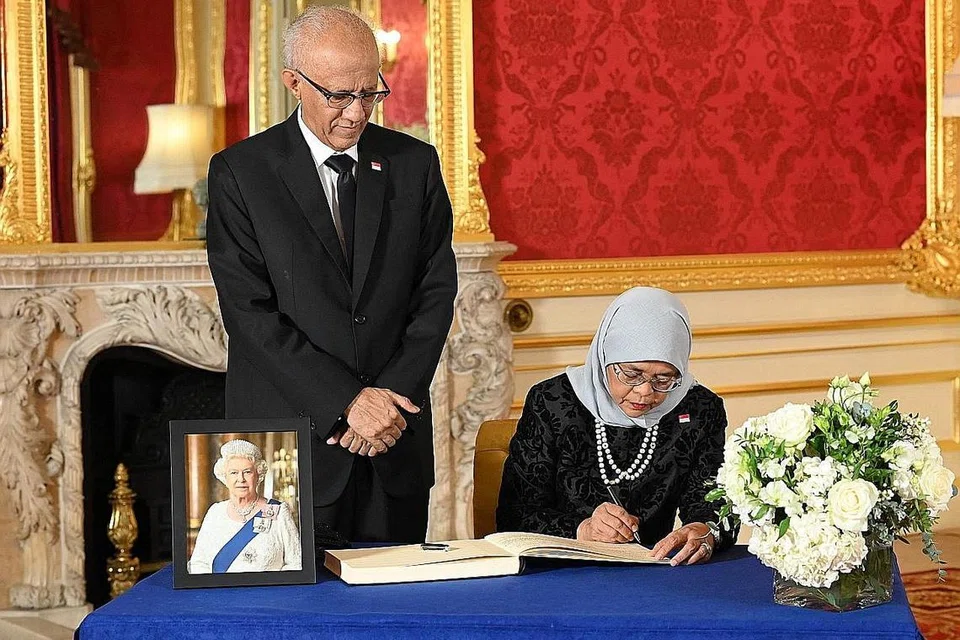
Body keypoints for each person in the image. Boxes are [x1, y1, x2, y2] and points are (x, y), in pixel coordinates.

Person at [205, 5, 457, 544]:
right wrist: (347, 402)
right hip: (292, 447)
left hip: (394, 439)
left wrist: (387, 400)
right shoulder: (241, 173)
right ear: (293, 82)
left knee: (397, 620)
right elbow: (250, 314)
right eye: (339, 96)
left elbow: (434, 293)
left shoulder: (415, 164)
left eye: (370, 93)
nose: (357, 112)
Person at [496, 287, 738, 565]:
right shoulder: (552, 402)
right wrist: (582, 529)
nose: (645, 392)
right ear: (604, 357)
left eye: (664, 379)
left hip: (654, 569)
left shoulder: (698, 409)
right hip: (559, 569)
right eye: (632, 374)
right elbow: (515, 515)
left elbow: (714, 504)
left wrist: (706, 530)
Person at [188, 440, 301, 573]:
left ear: (258, 475)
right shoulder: (215, 512)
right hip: (222, 592)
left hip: (267, 592)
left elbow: (296, 563)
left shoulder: (279, 511)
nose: (240, 479)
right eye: (234, 473)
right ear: (225, 477)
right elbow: (199, 563)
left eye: (247, 472)